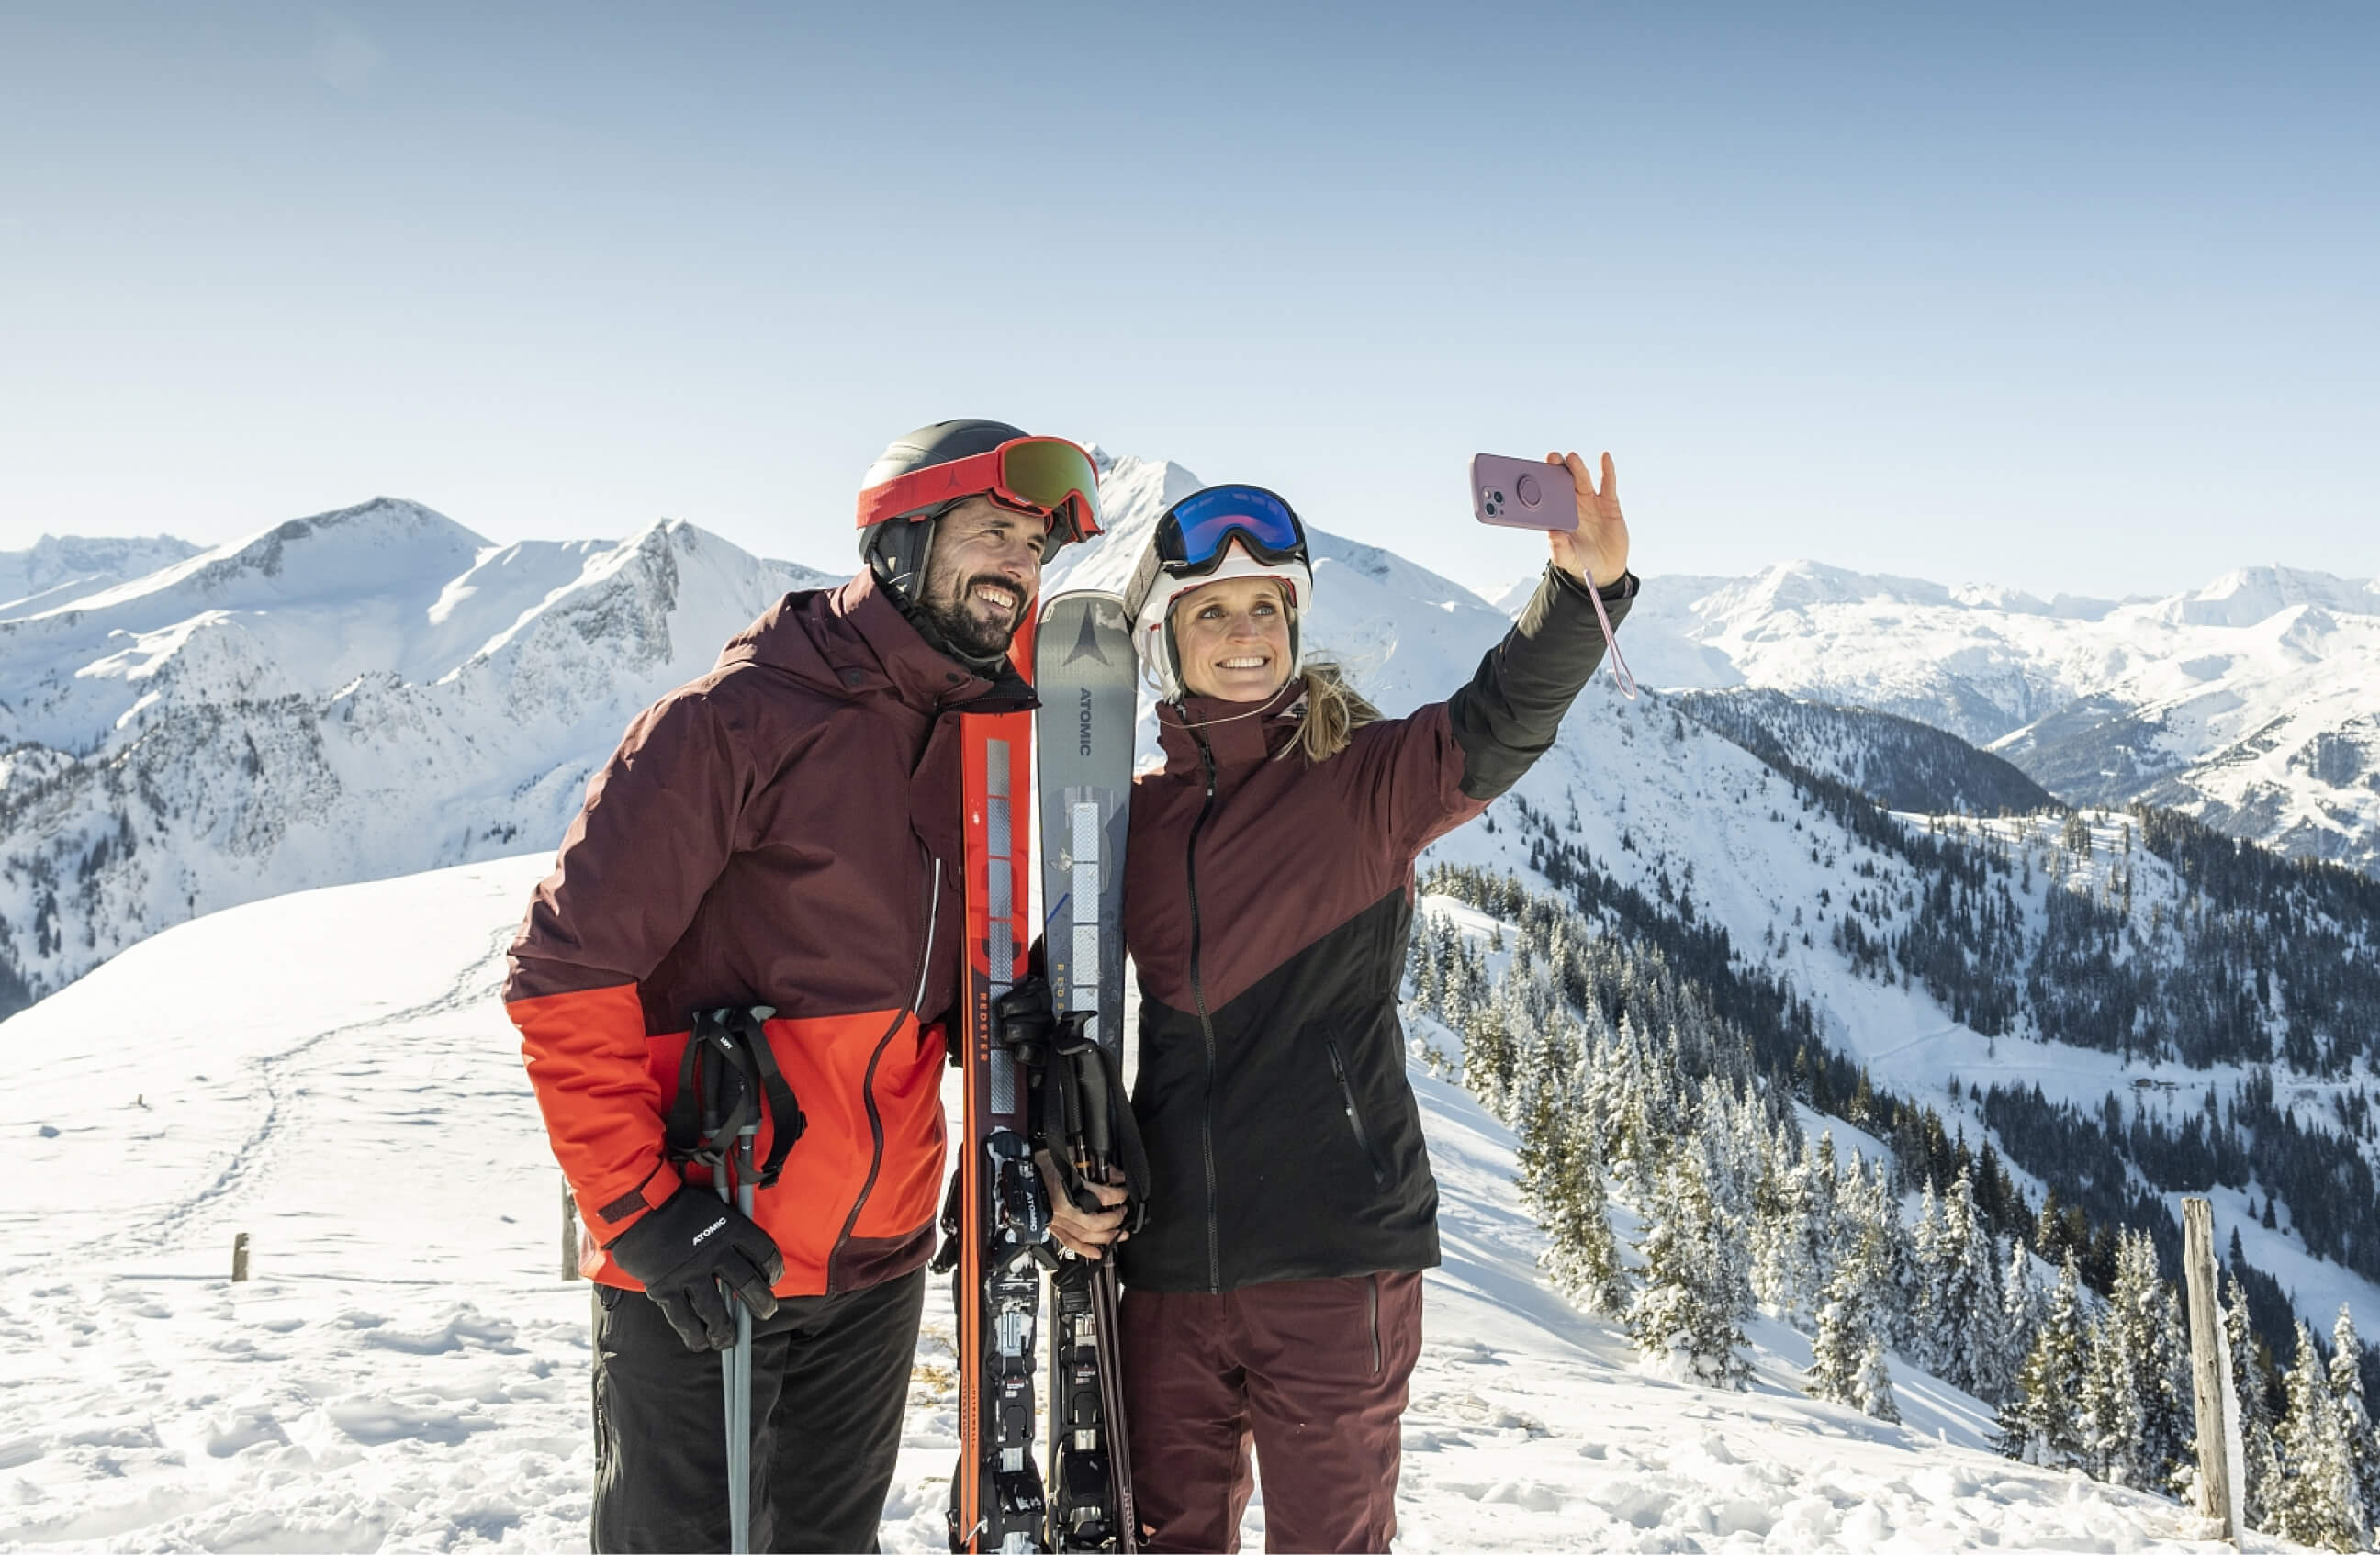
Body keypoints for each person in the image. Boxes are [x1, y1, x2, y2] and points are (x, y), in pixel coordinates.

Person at [504, 420, 1102, 1553]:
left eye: (1033, 547)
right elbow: (562, 970)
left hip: (876, 1268)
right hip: (711, 1251)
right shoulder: (736, 722)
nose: (1019, 568)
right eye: (991, 533)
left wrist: (1003, 1022)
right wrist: (641, 1212)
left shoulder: (983, 731)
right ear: (898, 544)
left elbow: (921, 982)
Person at [1049, 452, 1634, 1553]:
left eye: (1264, 607)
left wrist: (1578, 592)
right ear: (1166, 640)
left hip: (1333, 1257)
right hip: (1168, 1268)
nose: (1242, 631)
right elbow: (1051, 1005)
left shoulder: (1361, 780)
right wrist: (1065, 1170)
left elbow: (1497, 721)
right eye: (1210, 609)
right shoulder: (1131, 823)